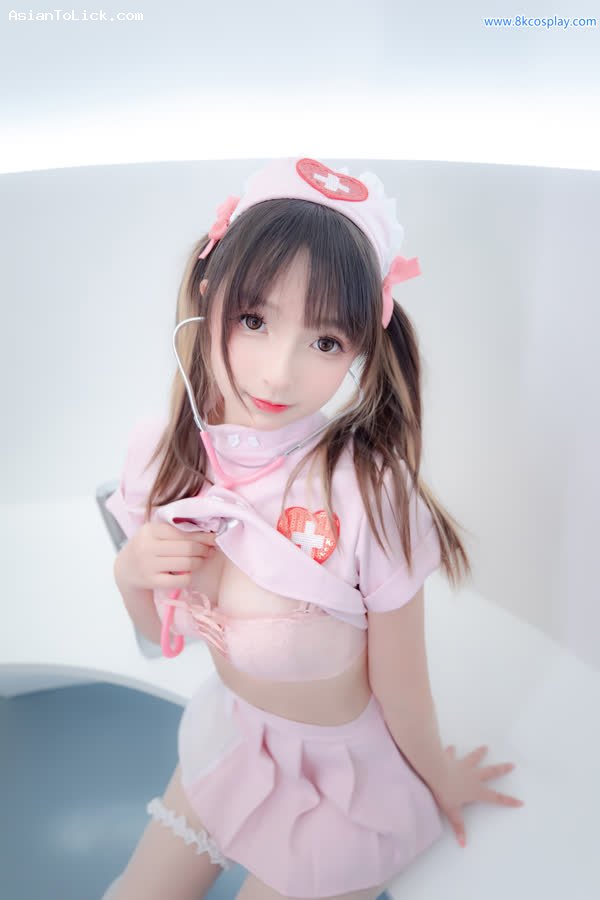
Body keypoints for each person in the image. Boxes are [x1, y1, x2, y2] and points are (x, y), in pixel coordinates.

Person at [102, 156, 524, 900]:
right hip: (238, 742)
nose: (277, 373)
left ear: (360, 347)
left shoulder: (368, 491)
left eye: (325, 342)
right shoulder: (162, 452)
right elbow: (159, 635)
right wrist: (130, 570)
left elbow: (402, 685)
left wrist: (438, 777)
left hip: (346, 789)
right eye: (254, 321)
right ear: (209, 295)